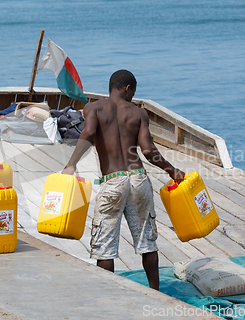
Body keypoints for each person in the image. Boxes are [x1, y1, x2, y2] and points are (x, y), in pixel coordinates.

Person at [62, 69, 185, 290]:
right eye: (133, 92)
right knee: (147, 242)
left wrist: (71, 164)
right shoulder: (138, 114)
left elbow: (88, 133)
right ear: (127, 89)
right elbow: (148, 151)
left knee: (105, 247)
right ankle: (155, 293)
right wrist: (171, 170)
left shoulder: (94, 108)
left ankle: (108, 295)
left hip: (113, 180)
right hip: (138, 178)